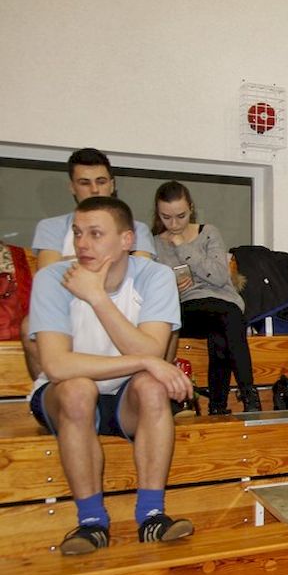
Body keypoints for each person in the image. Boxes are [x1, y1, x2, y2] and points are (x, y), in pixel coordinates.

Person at [27, 196, 194, 554]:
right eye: (77, 233)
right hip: (63, 398)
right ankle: (91, 523)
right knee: (78, 389)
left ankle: (151, 516)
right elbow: (56, 366)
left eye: (95, 233)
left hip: (123, 399)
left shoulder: (155, 276)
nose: (82, 244)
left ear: (126, 240)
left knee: (152, 387)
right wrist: (145, 360)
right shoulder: (52, 279)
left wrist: (97, 298)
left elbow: (152, 351)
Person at [24, 148, 156, 379]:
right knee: (29, 326)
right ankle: (52, 386)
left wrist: (77, 264)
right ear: (72, 187)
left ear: (112, 184)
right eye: (85, 183)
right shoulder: (51, 227)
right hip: (70, 303)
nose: (94, 189)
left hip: (120, 306)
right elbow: (51, 275)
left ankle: (146, 381)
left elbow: (142, 273)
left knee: (165, 323)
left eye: (101, 181)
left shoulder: (137, 228)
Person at [151, 181, 260, 414]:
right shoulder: (155, 244)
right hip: (187, 307)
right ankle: (247, 396)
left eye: (180, 216)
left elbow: (219, 276)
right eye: (166, 217)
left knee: (222, 327)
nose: (174, 224)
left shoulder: (208, 232)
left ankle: (223, 405)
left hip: (222, 303)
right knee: (225, 318)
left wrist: (183, 247)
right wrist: (172, 287)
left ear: (191, 208)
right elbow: (152, 291)